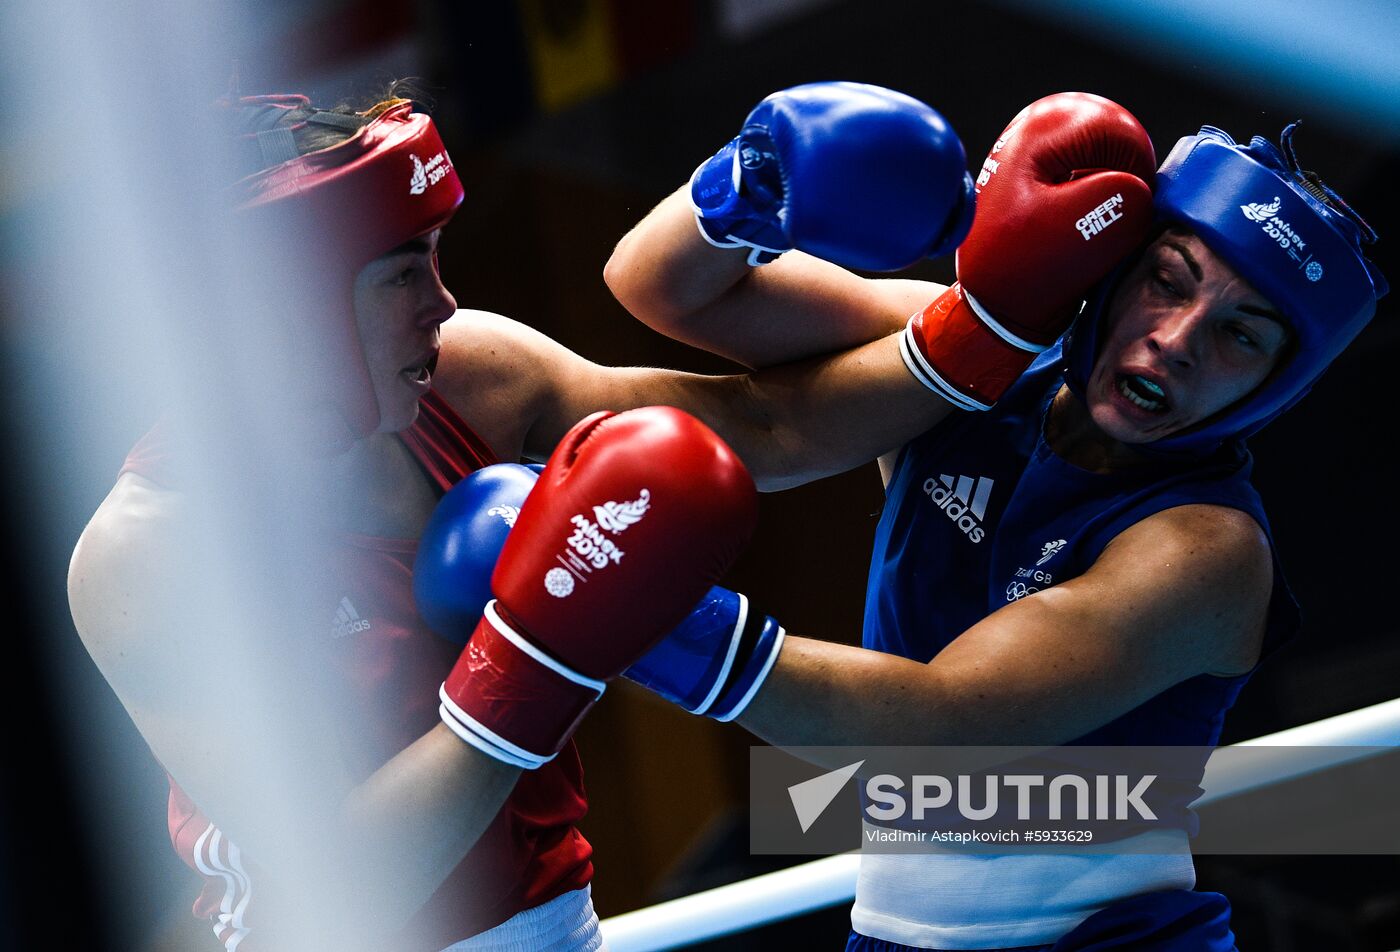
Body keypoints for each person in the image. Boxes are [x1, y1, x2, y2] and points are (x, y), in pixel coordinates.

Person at [65, 83, 977, 951]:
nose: (442, 301)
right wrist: (530, 656)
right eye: (401, 272)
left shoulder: (468, 379)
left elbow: (768, 428)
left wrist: (1003, 328)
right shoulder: (149, 554)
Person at [602, 88, 1387, 949]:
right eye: (1168, 280)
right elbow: (661, 288)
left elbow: (938, 733)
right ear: (1114, 266)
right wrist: (750, 187)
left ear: (1273, 388)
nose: (1178, 339)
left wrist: (627, 593)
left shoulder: (1206, 547)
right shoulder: (974, 363)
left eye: (1242, 334)